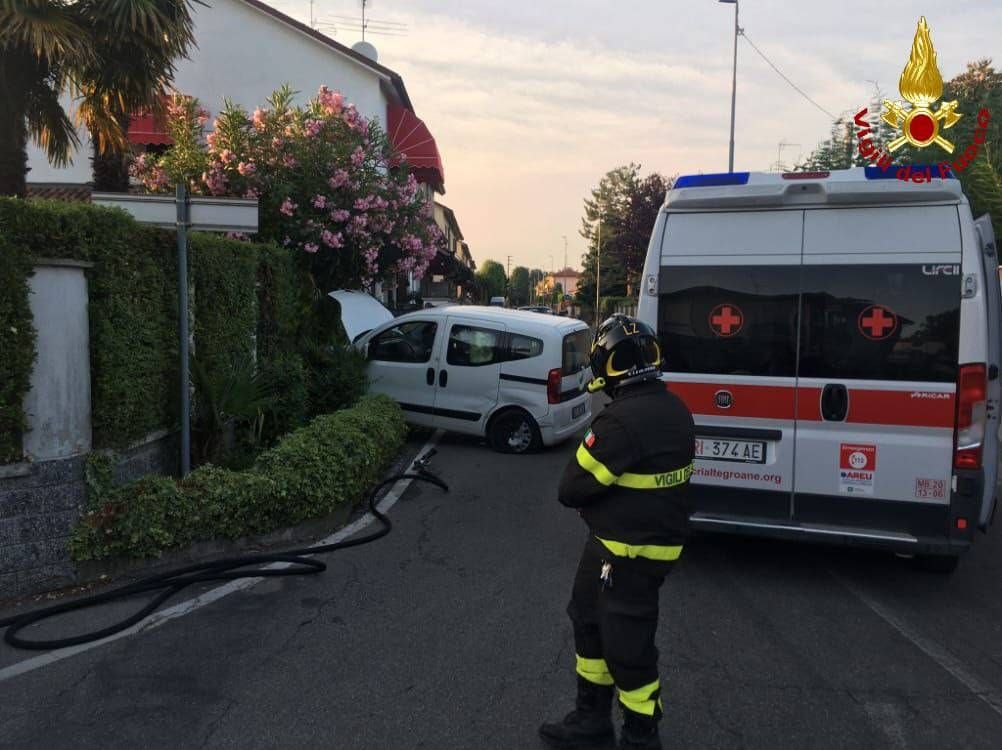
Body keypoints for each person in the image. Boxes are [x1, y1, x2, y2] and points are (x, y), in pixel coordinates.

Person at [540, 315, 695, 750]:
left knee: (627, 643)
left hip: (627, 554)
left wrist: (593, 501)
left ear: (605, 367)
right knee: (587, 620)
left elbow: (571, 488)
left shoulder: (620, 423)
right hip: (622, 546)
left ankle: (641, 736)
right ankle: (591, 719)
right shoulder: (675, 408)